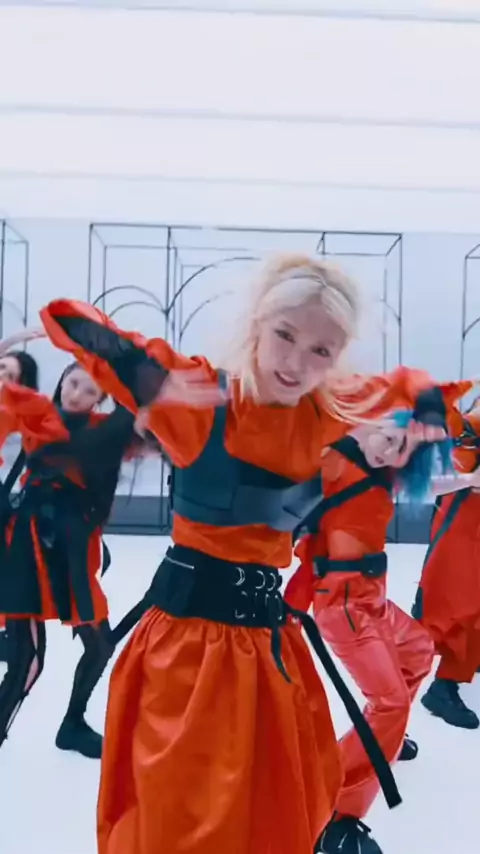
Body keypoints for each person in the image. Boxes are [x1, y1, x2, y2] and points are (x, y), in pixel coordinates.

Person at [40, 254, 448, 854]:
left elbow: (415, 384)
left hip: (267, 650)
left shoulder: (326, 408)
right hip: (187, 654)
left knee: (272, 812)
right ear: (257, 322)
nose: (297, 362)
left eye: (321, 349)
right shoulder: (204, 396)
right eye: (285, 334)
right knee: (182, 817)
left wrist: (430, 411)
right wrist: (144, 371)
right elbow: (66, 319)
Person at [284, 378, 471, 854]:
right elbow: (287, 487)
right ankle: (338, 815)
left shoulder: (381, 474)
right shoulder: (335, 462)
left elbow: (433, 483)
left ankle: (383, 736)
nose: (391, 450)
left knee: (419, 650)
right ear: (368, 423)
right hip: (342, 605)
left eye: (402, 448)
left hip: (371, 599)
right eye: (388, 437)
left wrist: (471, 480)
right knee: (389, 702)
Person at [0, 359, 140, 758]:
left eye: (90, 390)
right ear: (62, 379)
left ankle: (72, 724)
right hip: (29, 547)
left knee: (99, 644)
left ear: (101, 399)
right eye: (73, 383)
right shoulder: (39, 413)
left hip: (72, 552)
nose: (77, 395)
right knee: (27, 663)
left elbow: (141, 417)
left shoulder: (104, 430)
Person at [413, 399, 480, 729]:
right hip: (462, 533)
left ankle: (467, 661)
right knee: (461, 606)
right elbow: (432, 478)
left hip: (468, 529)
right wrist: (470, 478)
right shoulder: (464, 430)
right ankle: (443, 687)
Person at [0, 328, 42, 661]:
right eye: (1, 369)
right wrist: (12, 342)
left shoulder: (18, 415)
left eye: (11, 376)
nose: (3, 378)